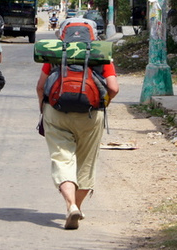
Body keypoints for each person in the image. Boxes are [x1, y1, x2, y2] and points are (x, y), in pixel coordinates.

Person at [35, 36, 119, 230]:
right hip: (91, 115)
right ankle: (76, 207)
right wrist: (102, 103)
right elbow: (113, 88)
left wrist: (43, 110)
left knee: (62, 159)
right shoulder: (100, 53)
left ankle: (70, 204)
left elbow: (40, 87)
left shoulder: (56, 52)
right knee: (86, 163)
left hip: (56, 113)